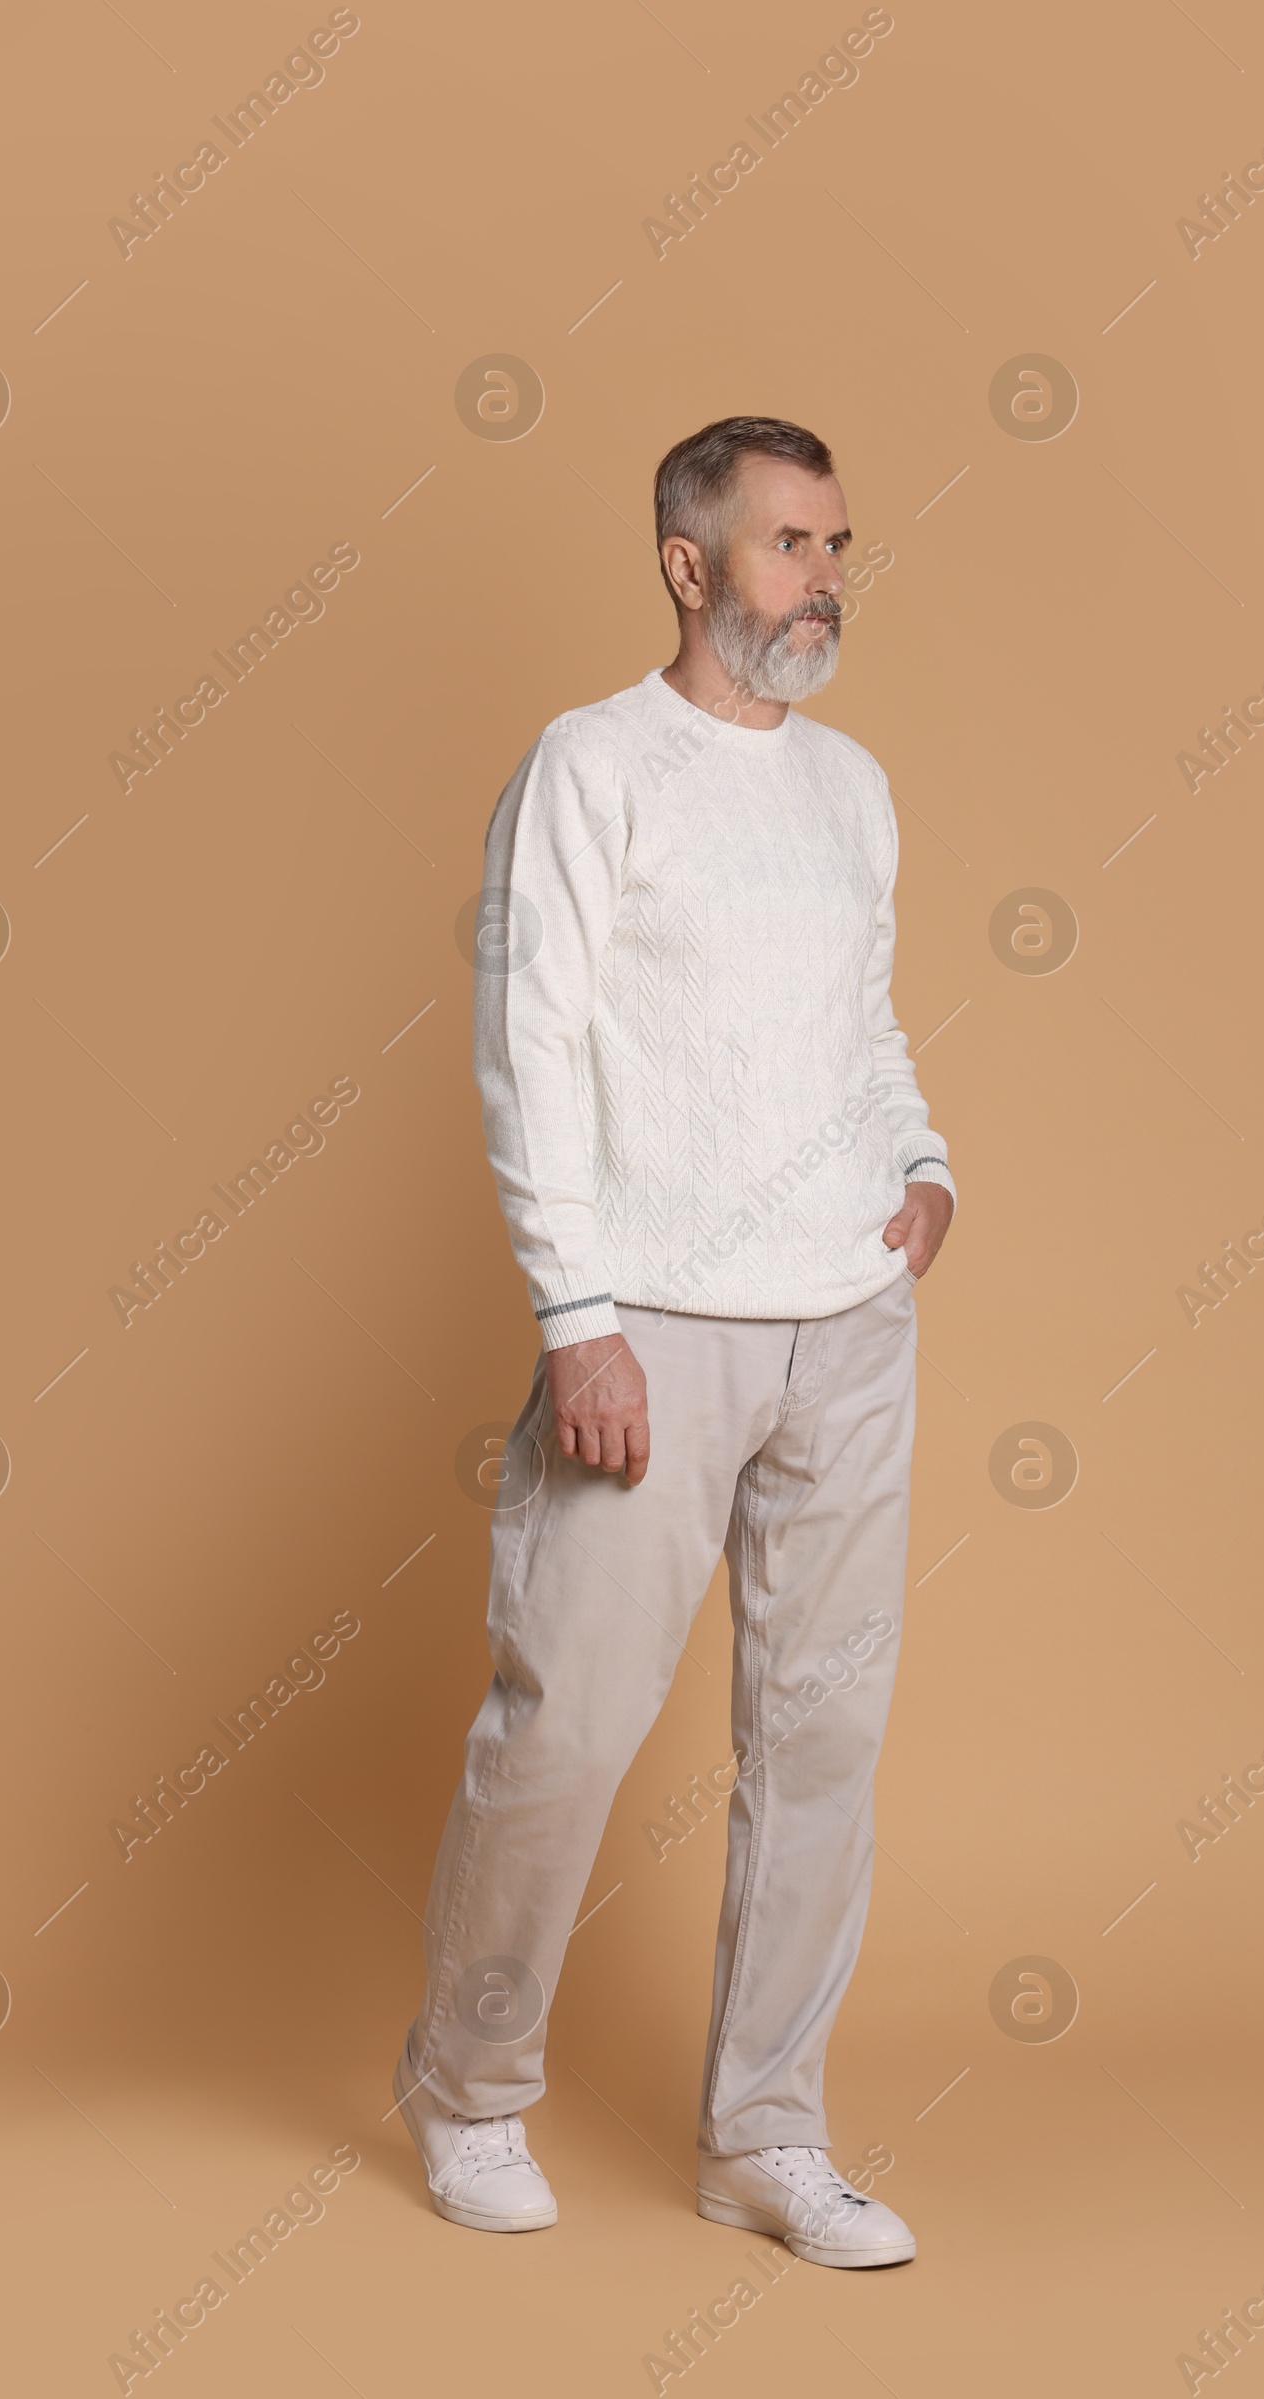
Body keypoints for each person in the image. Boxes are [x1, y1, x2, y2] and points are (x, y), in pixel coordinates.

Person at [393, 415, 956, 2268]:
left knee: (824, 1744)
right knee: (562, 1727)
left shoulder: (856, 783)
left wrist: (925, 1161)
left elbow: (862, 1019)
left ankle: (767, 2139)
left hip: (850, 1328)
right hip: (654, 1331)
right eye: (791, 542)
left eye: (837, 541)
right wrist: (580, 1319)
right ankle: (469, 2095)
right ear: (688, 563)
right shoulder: (592, 764)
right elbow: (525, 1041)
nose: (825, 576)